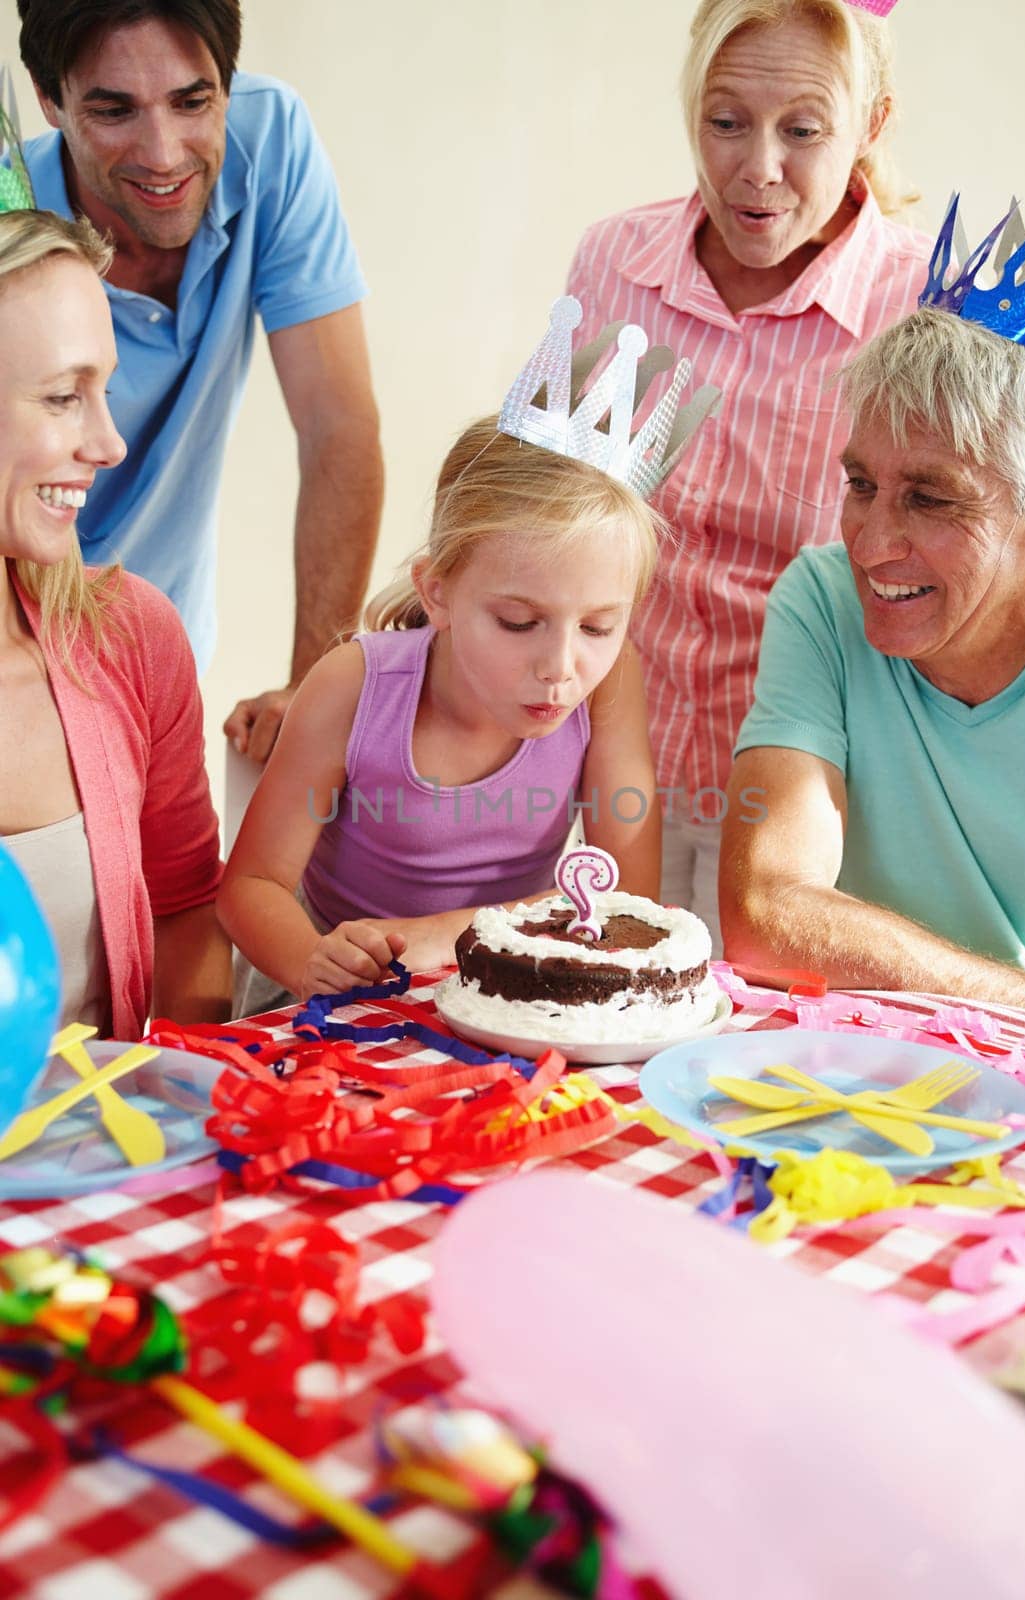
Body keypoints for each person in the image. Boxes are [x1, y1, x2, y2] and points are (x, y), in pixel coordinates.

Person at [565, 0, 929, 942]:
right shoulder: (616, 266)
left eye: (802, 131)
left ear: (870, 124)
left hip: (815, 810)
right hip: (606, 776)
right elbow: (549, 513)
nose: (756, 168)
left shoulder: (923, 303)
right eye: (724, 122)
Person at [16, 0, 385, 761]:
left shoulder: (270, 137)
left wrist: (311, 690)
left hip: (163, 650)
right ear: (49, 97)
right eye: (114, 110)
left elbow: (337, 429)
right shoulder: (10, 228)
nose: (163, 153)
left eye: (193, 101)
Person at [218, 413, 663, 1009]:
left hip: (516, 985)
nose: (561, 665)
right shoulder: (355, 685)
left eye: (598, 626)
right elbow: (250, 886)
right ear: (437, 592)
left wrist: (441, 935)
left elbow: (628, 901)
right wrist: (311, 962)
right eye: (518, 622)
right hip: (340, 994)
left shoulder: (610, 683)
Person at [720, 303, 1025, 1015]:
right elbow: (765, 914)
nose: (869, 546)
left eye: (930, 498)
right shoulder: (819, 597)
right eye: (860, 486)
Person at [0, 206, 229, 1038]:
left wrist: (189, 1121)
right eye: (64, 396)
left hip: (105, 1158)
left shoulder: (131, 637)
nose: (109, 443)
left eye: (105, 388)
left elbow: (186, 906)